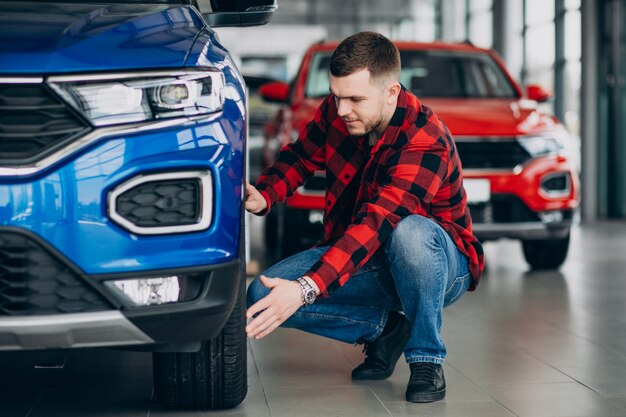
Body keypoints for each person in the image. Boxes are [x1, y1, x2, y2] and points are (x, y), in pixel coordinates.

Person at [244, 31, 484, 403]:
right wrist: (266, 193)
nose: (341, 111)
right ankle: (387, 330)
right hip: (368, 259)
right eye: (337, 96)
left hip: (438, 267)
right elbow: (302, 156)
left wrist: (306, 288)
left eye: (355, 99)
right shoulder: (338, 110)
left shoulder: (425, 139)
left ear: (391, 92)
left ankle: (425, 358)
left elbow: (377, 223)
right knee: (262, 294)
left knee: (410, 233)